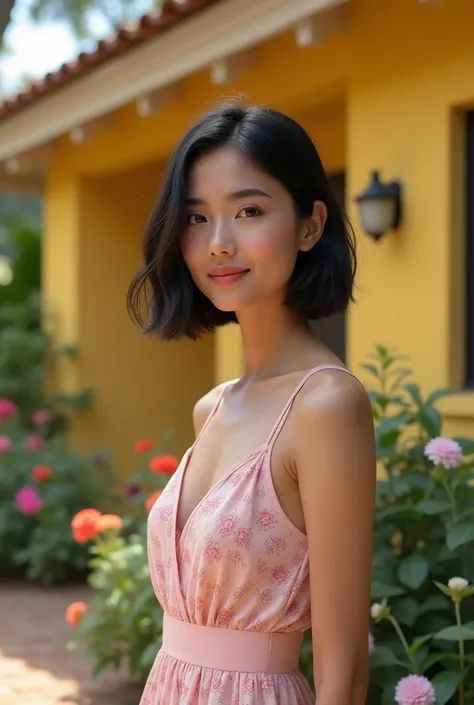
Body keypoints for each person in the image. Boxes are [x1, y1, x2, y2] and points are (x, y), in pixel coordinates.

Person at [128, 102, 376, 705]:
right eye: (196, 217)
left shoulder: (326, 405)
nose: (218, 243)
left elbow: (343, 673)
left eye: (249, 211)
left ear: (311, 225)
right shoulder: (210, 407)